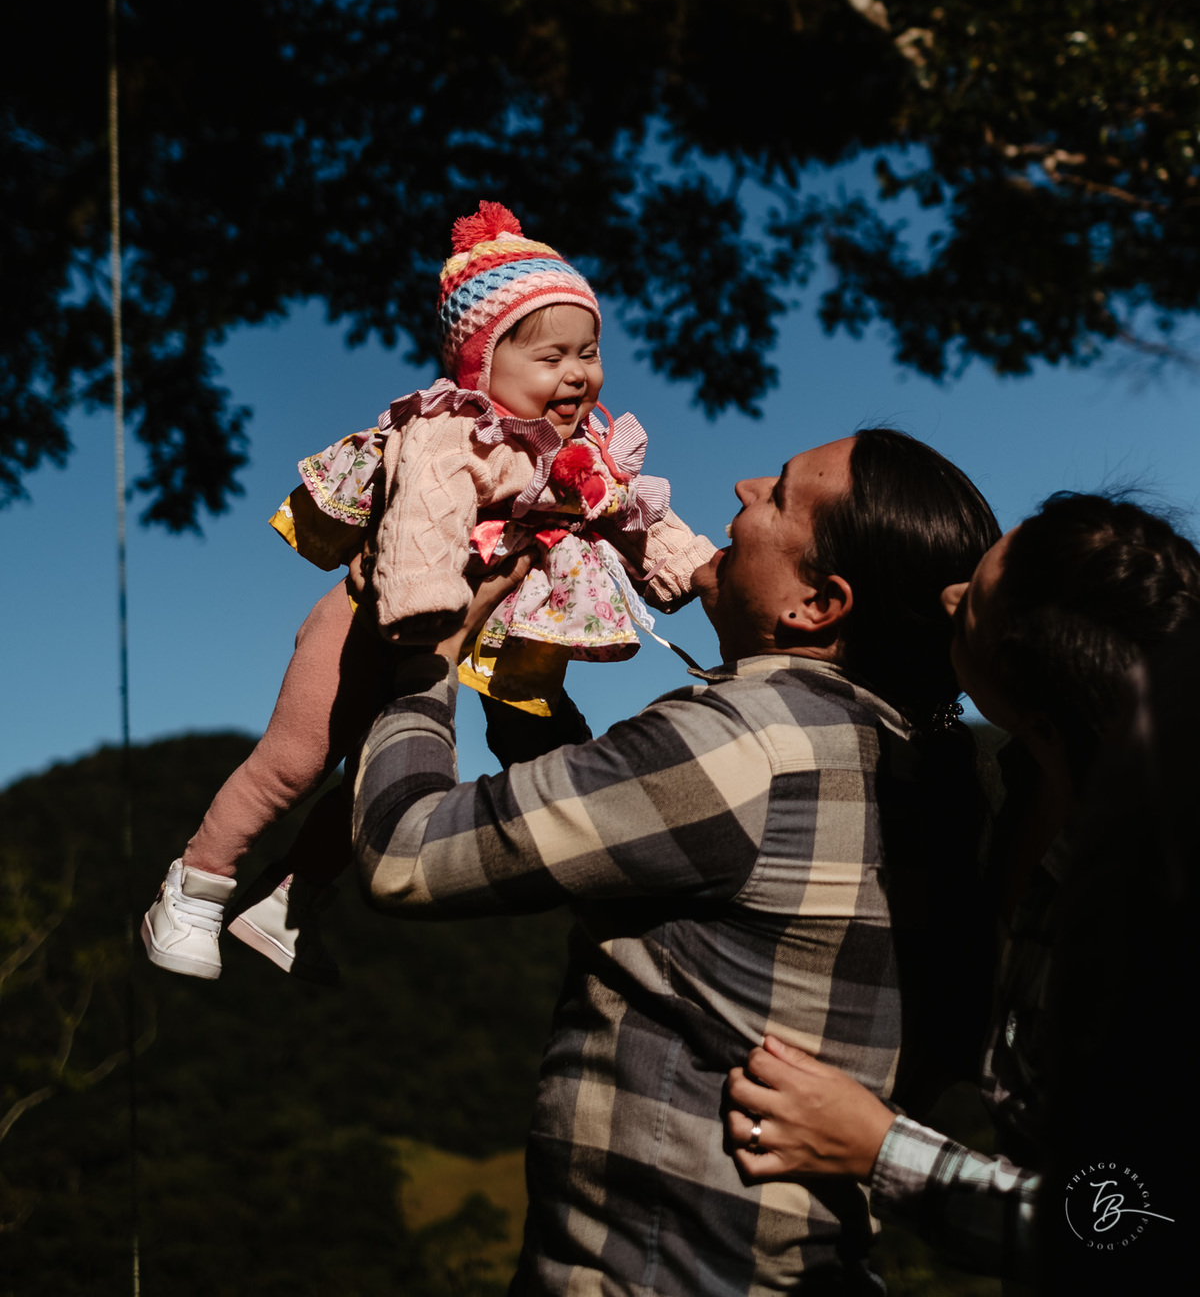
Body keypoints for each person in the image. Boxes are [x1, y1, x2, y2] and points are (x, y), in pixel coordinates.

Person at [353, 427, 999, 1293]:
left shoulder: (744, 743)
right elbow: (645, 844)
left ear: (818, 604)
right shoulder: (936, 776)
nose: (742, 489)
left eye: (778, 495)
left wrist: (422, 658)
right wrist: (525, 688)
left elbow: (404, 851)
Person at [141, 202, 715, 984]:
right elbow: (422, 518)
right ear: (482, 364)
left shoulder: (588, 454)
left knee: (383, 780)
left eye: (589, 352)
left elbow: (642, 519)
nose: (578, 373)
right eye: (551, 356)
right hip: (377, 618)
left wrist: (701, 570)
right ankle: (196, 884)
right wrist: (423, 607)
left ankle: (288, 904)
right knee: (297, 763)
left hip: (467, 638)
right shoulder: (453, 432)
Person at [723, 493, 1200, 1288]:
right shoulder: (1017, 791)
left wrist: (878, 1147)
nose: (947, 597)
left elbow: (1148, 1226)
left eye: (972, 602)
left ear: (1026, 683)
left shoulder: (1165, 898)